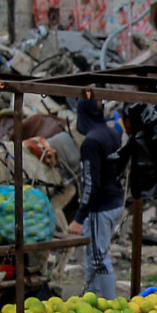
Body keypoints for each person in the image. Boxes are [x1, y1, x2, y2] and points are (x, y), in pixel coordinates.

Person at [60, 97, 125, 299]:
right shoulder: (112, 133)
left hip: (101, 206)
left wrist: (79, 218)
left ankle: (108, 304)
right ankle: (93, 298)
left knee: (98, 257)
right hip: (115, 201)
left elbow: (91, 183)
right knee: (93, 256)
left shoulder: (91, 142)